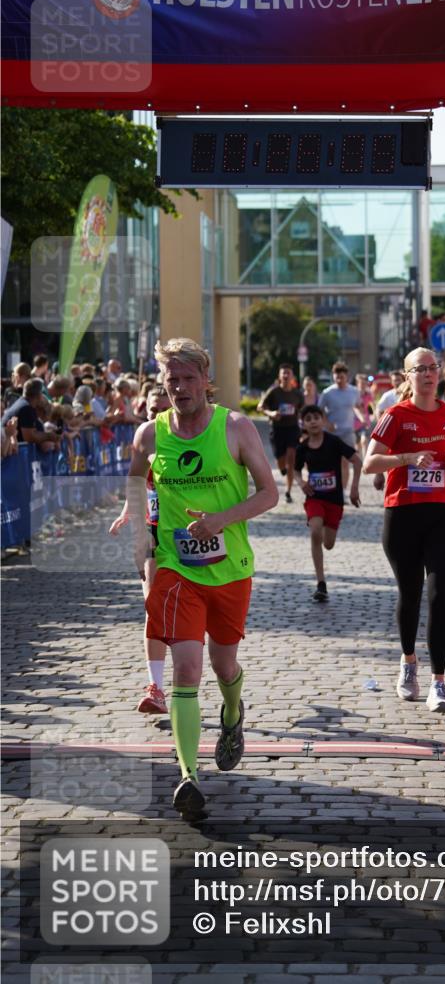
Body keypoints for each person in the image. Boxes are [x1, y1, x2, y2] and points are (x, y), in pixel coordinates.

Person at [126, 338, 278, 820]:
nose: (179, 387)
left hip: (230, 568)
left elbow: (270, 493)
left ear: (205, 381)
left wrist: (220, 520)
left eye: (188, 378)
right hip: (175, 568)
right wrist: (136, 526)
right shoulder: (150, 434)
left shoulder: (234, 427)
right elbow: (135, 481)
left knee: (223, 664)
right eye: (171, 379)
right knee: (186, 669)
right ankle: (189, 777)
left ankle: (232, 713)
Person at [363, 347, 445, 714]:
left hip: (441, 513)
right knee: (410, 595)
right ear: (406, 377)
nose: (428, 373)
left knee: (439, 595)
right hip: (402, 515)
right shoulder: (395, 415)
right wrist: (407, 459)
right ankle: (408, 662)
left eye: (433, 367)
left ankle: (439, 683)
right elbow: (370, 462)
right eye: (419, 369)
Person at [109, 387, 173, 714]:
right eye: (151, 409)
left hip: (190, 536)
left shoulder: (191, 437)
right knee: (154, 606)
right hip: (151, 532)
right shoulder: (144, 436)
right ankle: (157, 687)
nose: (156, 415)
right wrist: (127, 510)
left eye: (163, 409)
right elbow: (136, 482)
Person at [295, 404, 362, 602]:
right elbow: (297, 471)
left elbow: (357, 461)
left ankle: (325, 533)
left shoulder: (334, 442)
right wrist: (301, 483)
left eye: (317, 417)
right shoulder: (303, 447)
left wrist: (354, 488)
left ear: (324, 420)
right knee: (315, 530)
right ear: (304, 424)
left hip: (334, 500)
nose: (313, 421)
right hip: (314, 497)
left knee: (329, 544)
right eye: (308, 419)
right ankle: (321, 583)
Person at [257, 364, 304, 503]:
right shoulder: (274, 391)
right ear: (279, 376)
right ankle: (283, 470)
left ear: (292, 376)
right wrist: (271, 413)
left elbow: (302, 410)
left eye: (288, 373)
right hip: (277, 430)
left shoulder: (297, 394)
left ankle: (288, 491)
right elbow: (260, 406)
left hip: (293, 428)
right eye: (283, 373)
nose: (285, 376)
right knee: (280, 461)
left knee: (291, 458)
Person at [320, 362, 364, 492]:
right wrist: (327, 423)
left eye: (342, 377)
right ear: (333, 376)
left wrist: (361, 417)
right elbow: (319, 411)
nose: (339, 379)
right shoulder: (327, 393)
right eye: (336, 376)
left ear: (347, 377)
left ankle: (342, 491)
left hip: (348, 432)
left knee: (345, 462)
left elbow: (357, 406)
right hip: (331, 433)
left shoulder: (354, 391)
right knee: (332, 463)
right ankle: (331, 488)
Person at [1, 378, 60, 447]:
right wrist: (49, 436)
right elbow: (30, 436)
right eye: (43, 393)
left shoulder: (24, 404)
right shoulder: (26, 408)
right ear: (39, 395)